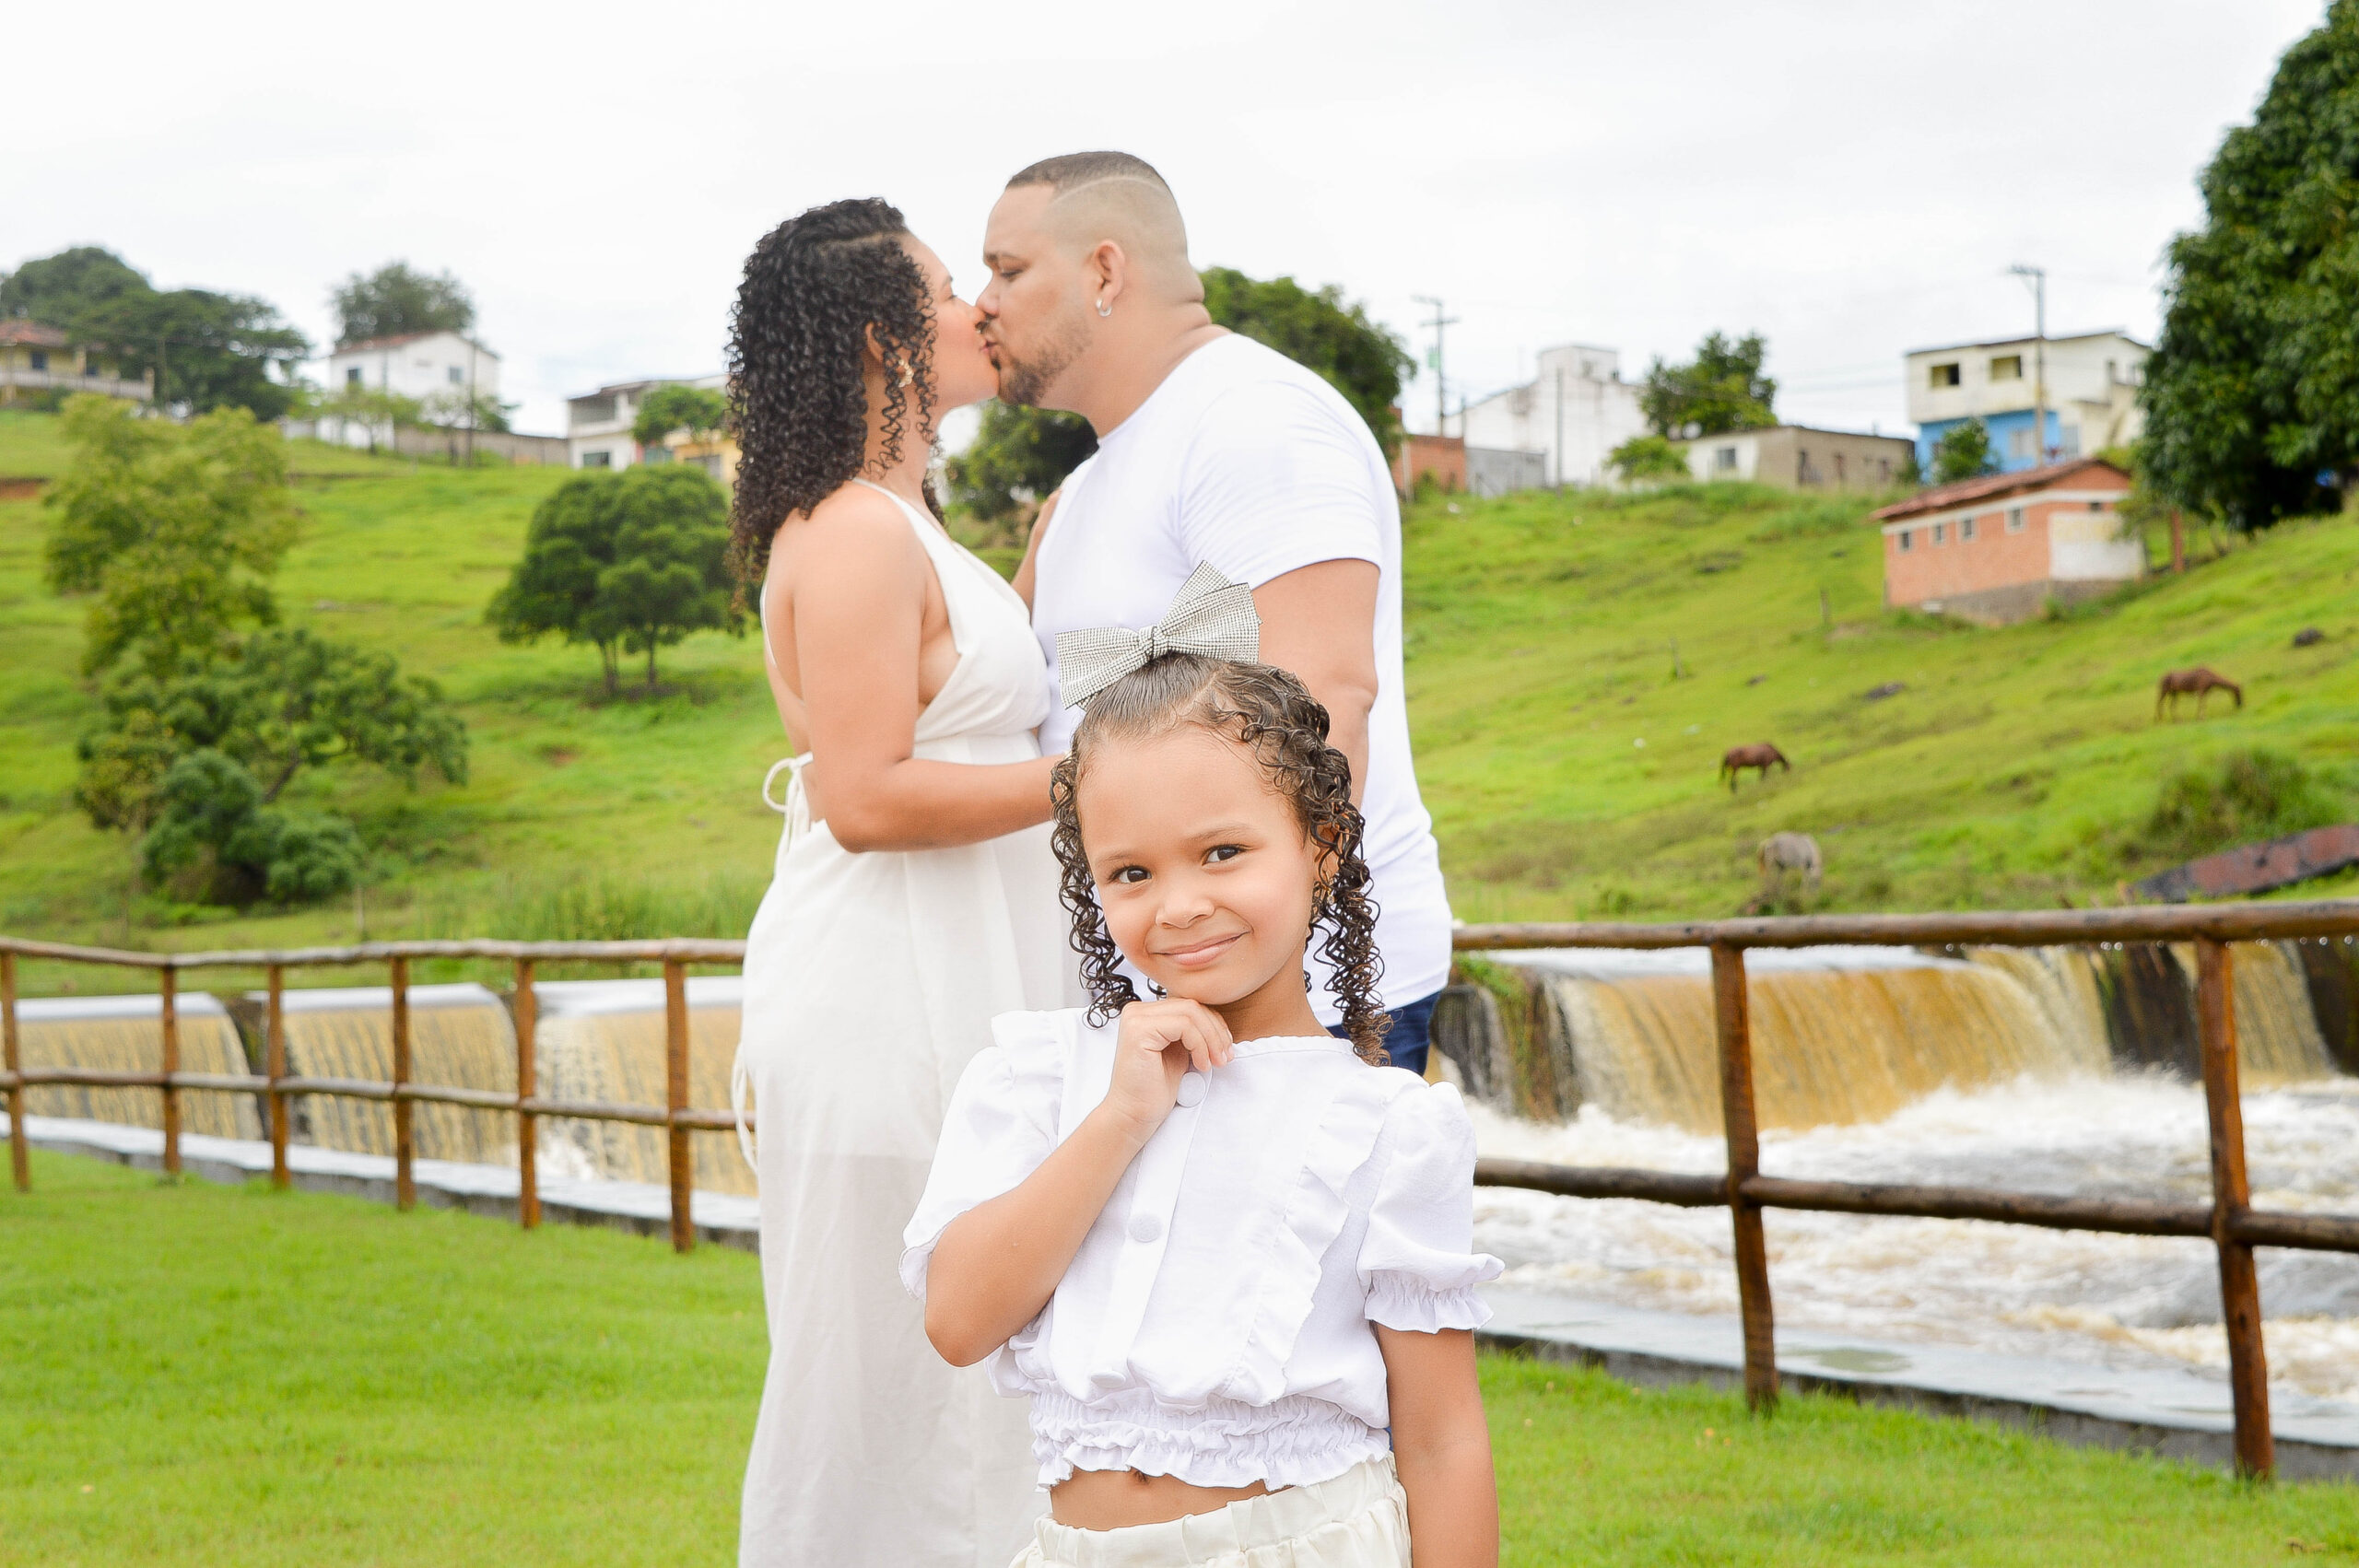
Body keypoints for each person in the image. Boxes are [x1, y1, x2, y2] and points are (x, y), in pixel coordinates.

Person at [902, 589, 1502, 1568]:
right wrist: (1118, 1118)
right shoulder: (1038, 1076)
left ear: (1322, 846)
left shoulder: (1387, 1122)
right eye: (1130, 874)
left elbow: (1442, 1440)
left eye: (1222, 853)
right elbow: (959, 1321)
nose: (1179, 905)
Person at [726, 197, 1074, 1568]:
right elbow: (864, 794)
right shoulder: (855, 533)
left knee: (969, 1384)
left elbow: (957, 713)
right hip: (888, 998)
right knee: (885, 1378)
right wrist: (1098, 788)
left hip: (958, 971)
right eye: (942, 287)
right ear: (882, 338)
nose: (974, 307)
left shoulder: (902, 524)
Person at [984, 149, 1452, 1075]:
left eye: (1007, 270)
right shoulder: (1089, 485)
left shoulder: (1251, 420)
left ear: (1105, 270)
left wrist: (1247, 994)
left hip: (1288, 1001)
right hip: (1179, 991)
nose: (982, 304)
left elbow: (1323, 707)